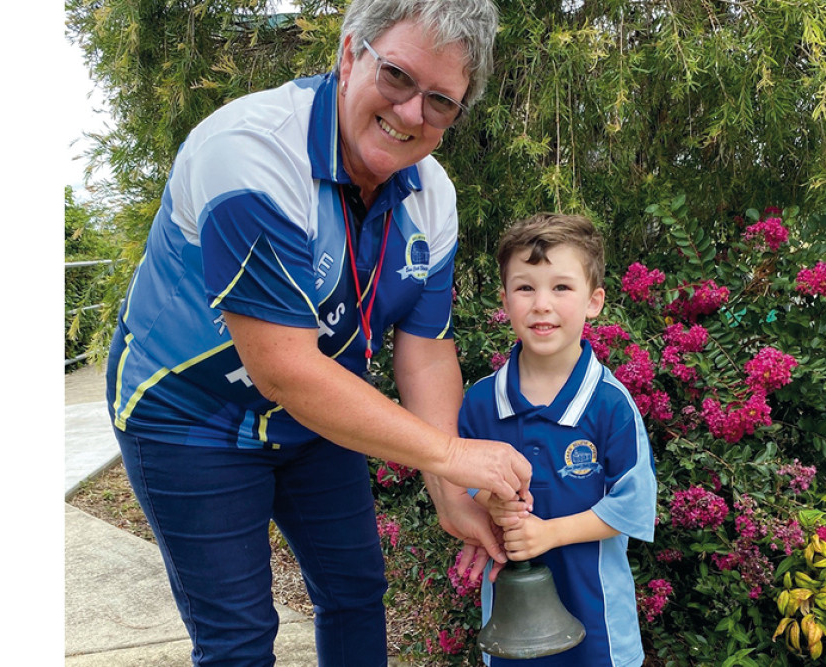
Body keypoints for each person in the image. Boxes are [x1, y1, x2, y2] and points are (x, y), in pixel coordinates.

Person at [105, 0, 532, 664]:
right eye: (396, 75)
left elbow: (424, 355)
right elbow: (284, 367)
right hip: (187, 412)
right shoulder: (251, 156)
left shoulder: (433, 198)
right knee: (239, 640)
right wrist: (452, 457)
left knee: (357, 592)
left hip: (315, 412)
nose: (412, 112)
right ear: (348, 53)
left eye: (441, 102)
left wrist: (452, 491)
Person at [459, 213, 658, 666]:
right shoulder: (479, 403)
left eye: (562, 287)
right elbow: (461, 479)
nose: (541, 304)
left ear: (595, 301)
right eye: (525, 287)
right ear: (504, 300)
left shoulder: (610, 405)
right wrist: (487, 500)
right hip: (511, 628)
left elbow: (633, 505)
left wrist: (547, 534)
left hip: (598, 629)